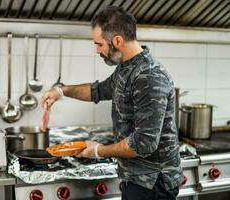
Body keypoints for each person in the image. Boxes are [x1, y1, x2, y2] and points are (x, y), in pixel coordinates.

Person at [41, 6, 182, 200]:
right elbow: (98, 90)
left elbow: (144, 144)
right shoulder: (127, 68)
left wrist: (99, 151)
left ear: (117, 41)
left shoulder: (148, 76)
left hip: (153, 182)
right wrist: (61, 91)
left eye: (99, 44)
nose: (97, 50)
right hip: (136, 177)